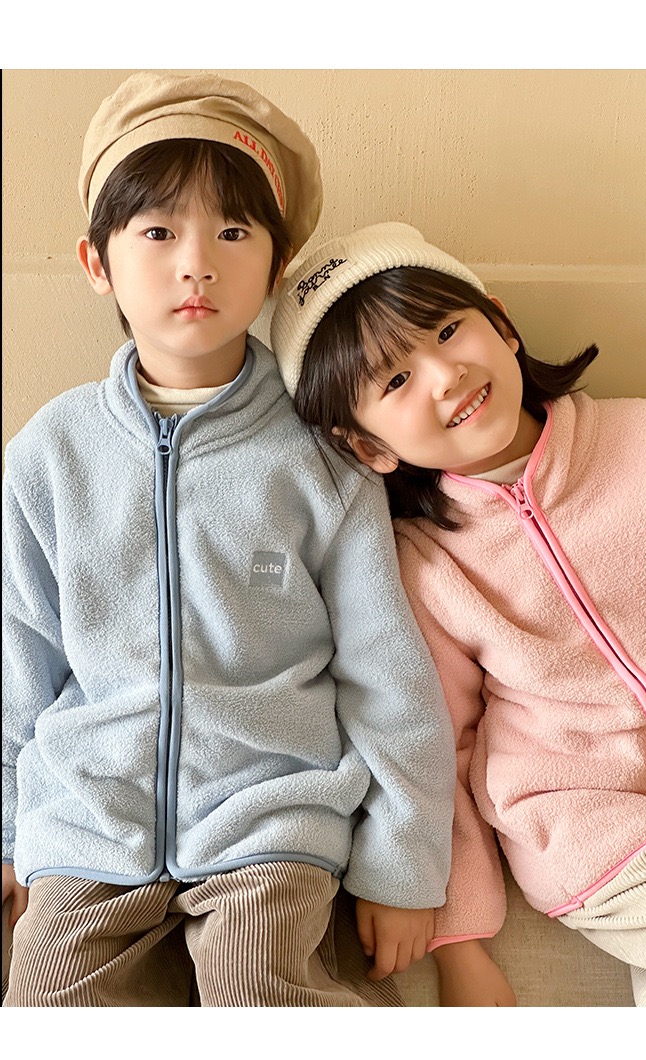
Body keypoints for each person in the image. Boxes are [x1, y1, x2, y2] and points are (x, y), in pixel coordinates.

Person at [1, 80, 456, 1008]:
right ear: (97, 262)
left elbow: (388, 673)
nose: (196, 265)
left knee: (257, 989)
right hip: (89, 824)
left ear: (278, 263)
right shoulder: (51, 452)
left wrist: (405, 864)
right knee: (45, 1005)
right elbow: (18, 661)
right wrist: (9, 835)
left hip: (270, 822)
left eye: (234, 232)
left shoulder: (320, 453)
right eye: (158, 232)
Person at [270, 221, 646, 1008]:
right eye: (395, 380)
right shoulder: (423, 566)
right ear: (365, 447)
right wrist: (461, 939)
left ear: (501, 322)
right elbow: (440, 746)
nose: (444, 375)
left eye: (447, 331)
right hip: (596, 832)